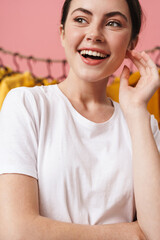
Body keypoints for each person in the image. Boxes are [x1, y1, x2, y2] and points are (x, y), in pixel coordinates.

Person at [0, 0, 160, 239]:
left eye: (113, 23)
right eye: (81, 19)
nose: (94, 34)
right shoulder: (26, 105)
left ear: (132, 43)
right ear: (62, 32)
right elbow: (16, 231)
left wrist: (136, 110)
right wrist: (129, 234)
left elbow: (157, 232)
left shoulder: (145, 126)